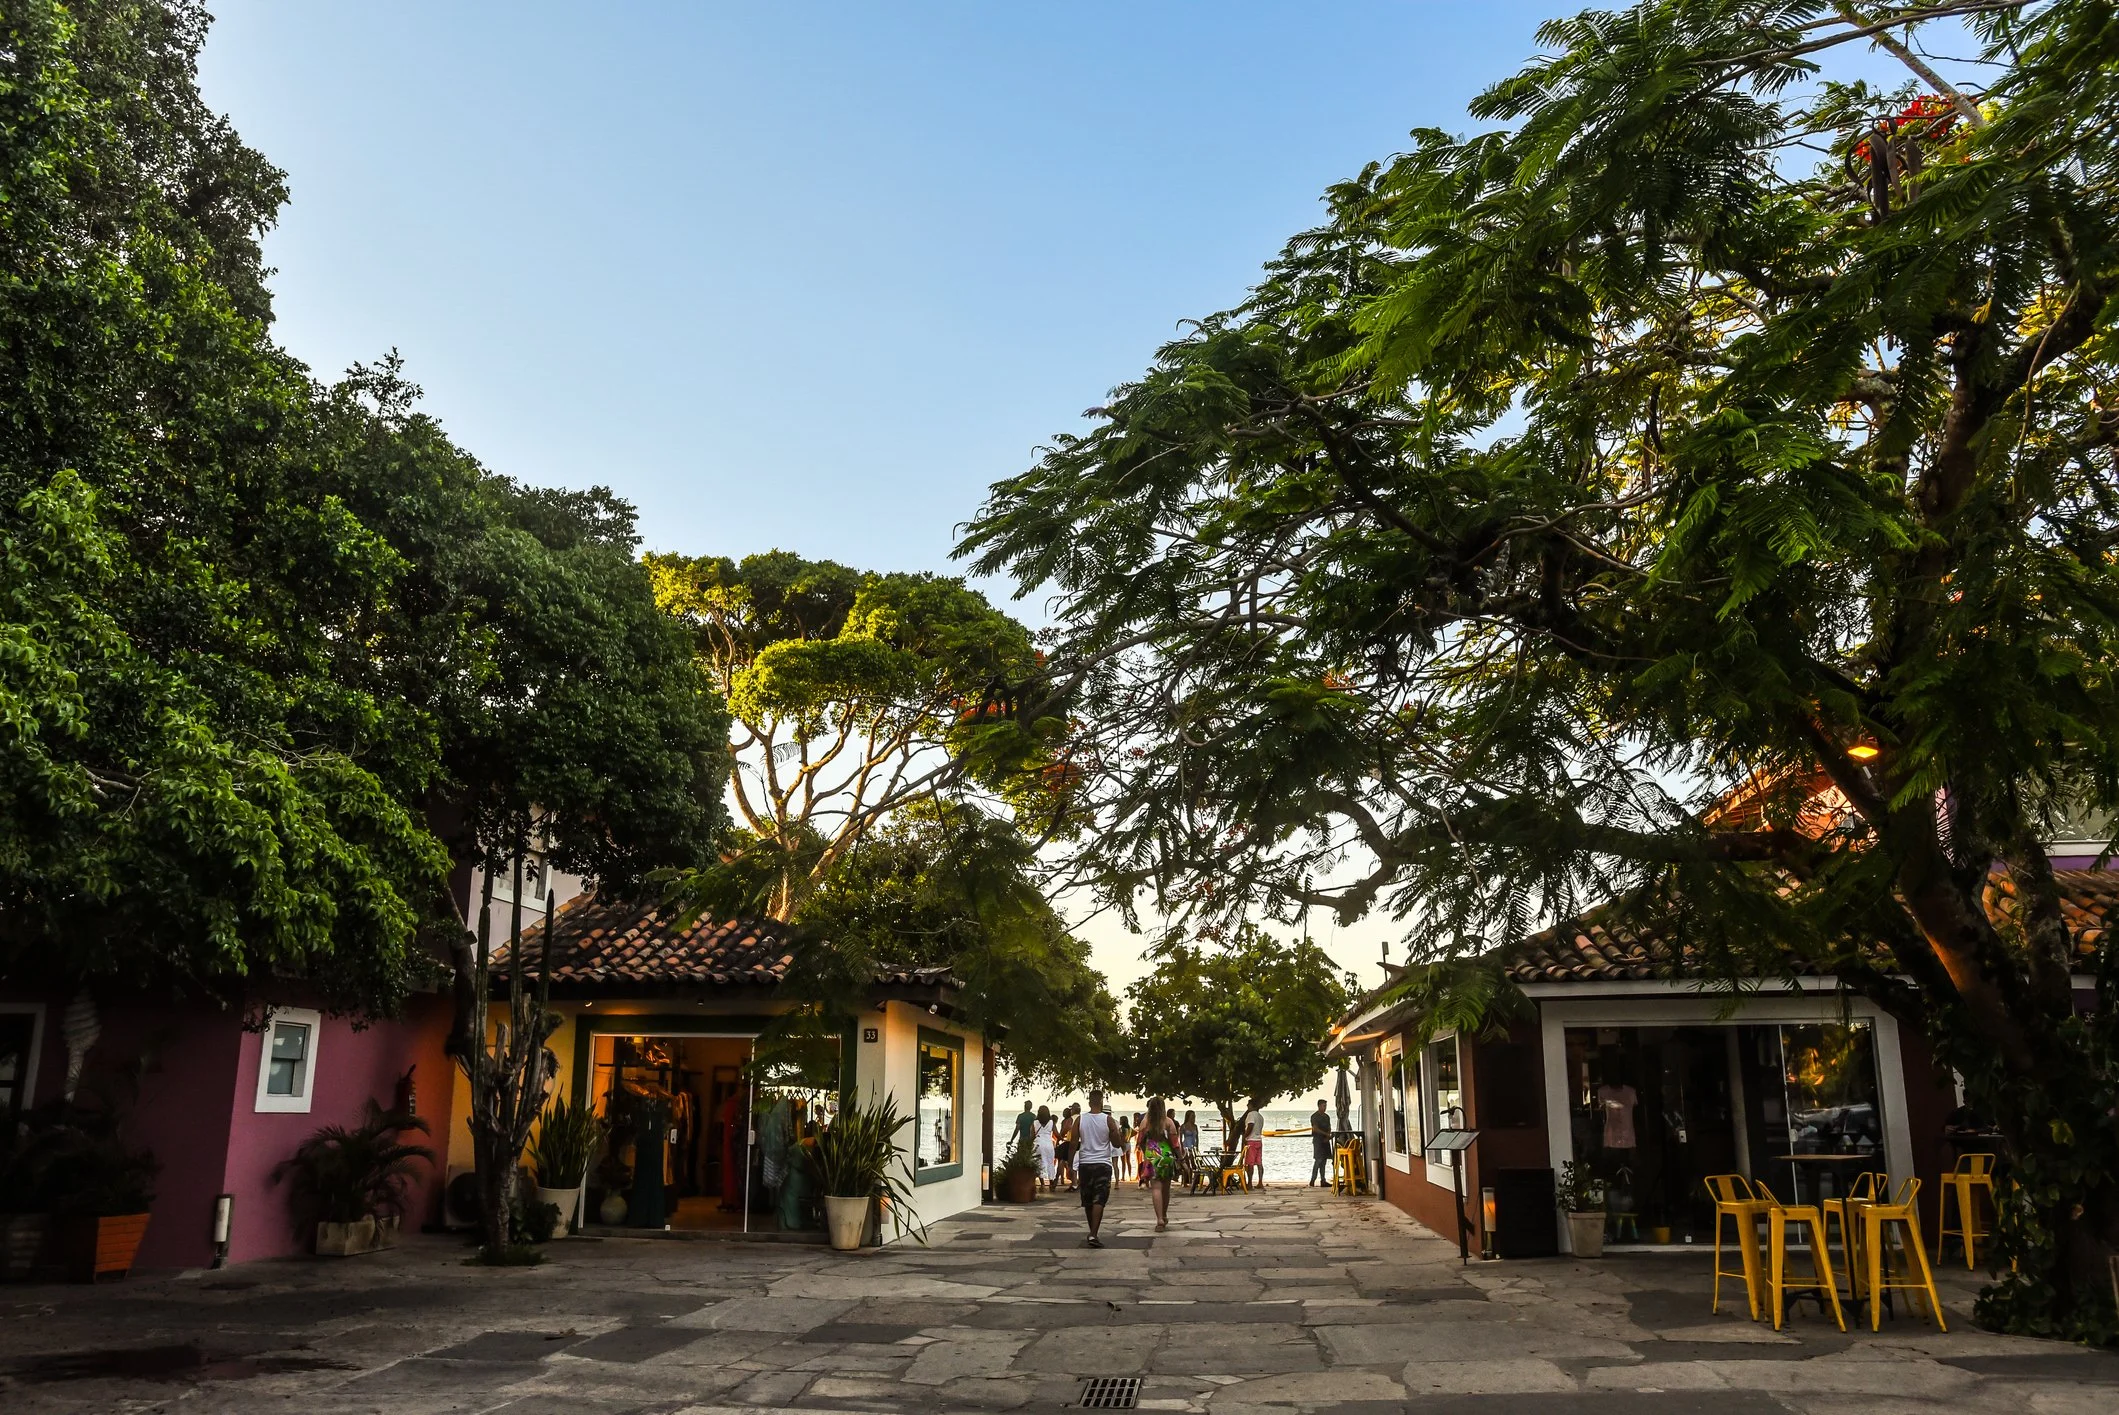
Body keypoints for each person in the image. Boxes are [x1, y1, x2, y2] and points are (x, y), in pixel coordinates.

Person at [1073, 1089, 1127, 1247]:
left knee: (1088, 1200)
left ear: (1089, 1102)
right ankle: (1093, 1233)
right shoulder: (1108, 1120)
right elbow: (1116, 1144)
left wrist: (1071, 1164)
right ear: (1102, 1102)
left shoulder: (1080, 1120)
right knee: (1100, 1199)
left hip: (1085, 1164)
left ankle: (1092, 1232)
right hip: (1102, 1163)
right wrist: (1118, 1136)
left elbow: (1073, 1143)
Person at [1136, 1098, 1183, 1231]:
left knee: (1156, 1189)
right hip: (1167, 1156)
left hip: (1152, 1155)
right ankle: (1164, 1214)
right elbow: (1175, 1143)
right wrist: (1180, 1158)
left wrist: (1147, 1152)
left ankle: (1159, 1219)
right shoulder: (1168, 1122)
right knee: (1166, 1189)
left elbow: (1140, 1141)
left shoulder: (1145, 1122)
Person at [1241, 1097, 1266, 1189]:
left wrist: (1245, 1136)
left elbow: (1250, 1125)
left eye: (1248, 1104)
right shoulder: (1260, 1116)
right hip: (1258, 1140)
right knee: (1259, 1162)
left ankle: (1250, 1183)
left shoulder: (1251, 1115)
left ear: (1252, 1105)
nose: (1247, 1106)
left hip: (1251, 1140)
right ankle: (1260, 1182)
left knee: (1250, 1163)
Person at [1309, 1097, 1333, 1186]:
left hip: (1325, 1141)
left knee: (1324, 1161)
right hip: (1318, 1140)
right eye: (1323, 1106)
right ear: (1319, 1106)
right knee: (1318, 1160)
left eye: (1325, 1106)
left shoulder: (1327, 1117)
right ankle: (1312, 1180)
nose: (1325, 1107)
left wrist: (1328, 1135)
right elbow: (1315, 1128)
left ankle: (1323, 1180)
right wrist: (1325, 1134)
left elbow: (1329, 1127)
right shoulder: (1314, 1116)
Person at [1034, 1105, 1058, 1188]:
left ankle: (1042, 1183)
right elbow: (1056, 1134)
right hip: (1048, 1144)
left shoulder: (1035, 1122)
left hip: (1038, 1144)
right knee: (1050, 1162)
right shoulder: (1051, 1122)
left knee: (1039, 1163)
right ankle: (1051, 1181)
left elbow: (1032, 1135)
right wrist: (1063, 1139)